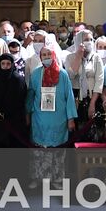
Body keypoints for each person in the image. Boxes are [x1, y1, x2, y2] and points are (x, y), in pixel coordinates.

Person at [27, 35, 75, 184]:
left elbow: (69, 97)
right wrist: (27, 114)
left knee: (58, 151)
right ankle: (39, 177)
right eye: (44, 55)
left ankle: (57, 179)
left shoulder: (63, 74)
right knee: (39, 150)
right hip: (40, 118)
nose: (47, 57)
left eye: (49, 54)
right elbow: (30, 96)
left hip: (58, 118)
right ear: (40, 57)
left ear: (54, 55)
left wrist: (71, 118)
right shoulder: (35, 74)